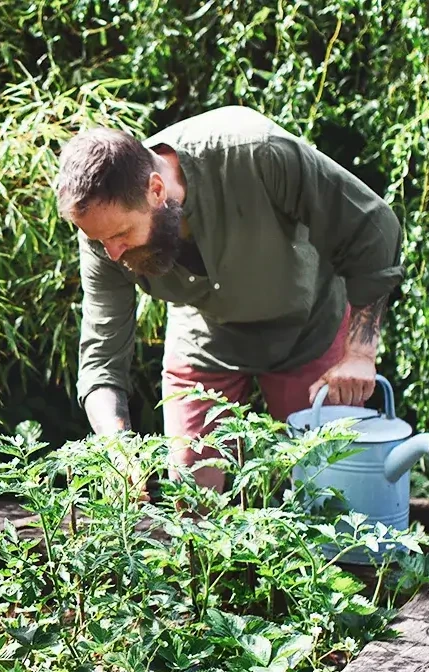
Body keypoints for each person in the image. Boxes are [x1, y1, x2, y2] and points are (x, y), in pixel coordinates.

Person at [55, 105, 404, 485]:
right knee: (190, 494)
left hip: (309, 326)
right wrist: (117, 449)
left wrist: (361, 352)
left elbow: (374, 227)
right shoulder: (105, 230)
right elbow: (101, 357)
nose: (113, 253)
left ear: (156, 190)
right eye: (100, 241)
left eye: (121, 235)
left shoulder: (258, 152)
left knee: (325, 485)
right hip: (206, 338)